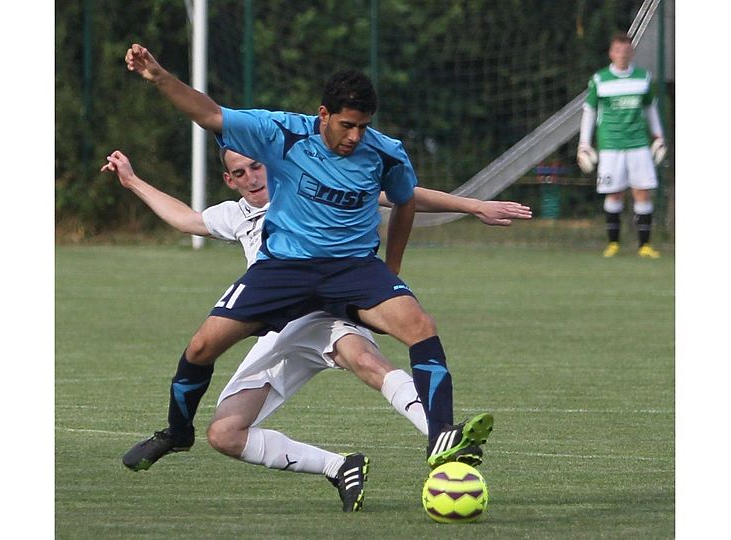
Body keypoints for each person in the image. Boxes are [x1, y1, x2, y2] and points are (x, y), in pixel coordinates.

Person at [121, 42, 498, 512]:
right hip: (285, 269)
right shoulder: (281, 134)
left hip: (353, 269)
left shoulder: (387, 155)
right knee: (200, 347)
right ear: (323, 115)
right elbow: (209, 113)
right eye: (347, 125)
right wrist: (159, 76)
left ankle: (440, 436)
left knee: (419, 325)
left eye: (363, 126)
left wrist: (391, 271)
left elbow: (405, 202)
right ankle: (177, 433)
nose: (355, 137)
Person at [101, 148, 532, 511]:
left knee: (365, 359)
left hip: (328, 308)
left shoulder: (306, 187)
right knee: (224, 434)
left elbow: (402, 194)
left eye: (256, 166)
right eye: (239, 172)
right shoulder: (235, 215)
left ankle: (441, 434)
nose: (251, 177)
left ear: (271, 163)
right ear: (229, 180)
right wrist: (133, 180)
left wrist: (474, 206)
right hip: (277, 325)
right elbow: (184, 219)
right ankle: (338, 466)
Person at [577, 32, 666, 259]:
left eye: (626, 51)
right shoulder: (600, 79)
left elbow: (650, 109)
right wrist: (584, 143)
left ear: (631, 53)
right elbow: (590, 111)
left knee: (642, 192)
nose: (622, 55)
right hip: (611, 145)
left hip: (638, 144)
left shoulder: (643, 78)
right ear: (611, 53)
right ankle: (613, 244)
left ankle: (644, 246)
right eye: (618, 51)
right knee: (614, 193)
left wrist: (658, 136)